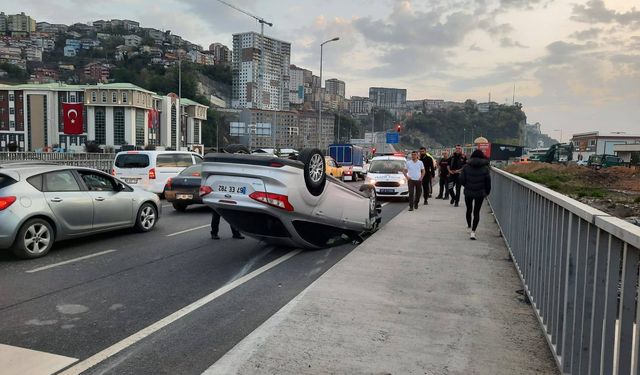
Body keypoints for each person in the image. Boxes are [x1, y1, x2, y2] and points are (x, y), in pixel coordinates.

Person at [460, 149, 491, 240]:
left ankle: (469, 225)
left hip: (468, 191)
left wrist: (466, 185)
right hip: (480, 192)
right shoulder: (485, 168)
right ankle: (473, 231)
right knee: (476, 212)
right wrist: (487, 192)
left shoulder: (466, 167)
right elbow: (488, 182)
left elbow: (462, 180)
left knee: (469, 209)